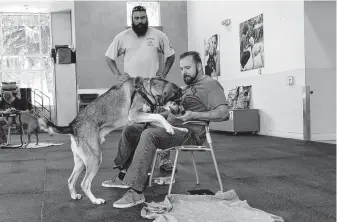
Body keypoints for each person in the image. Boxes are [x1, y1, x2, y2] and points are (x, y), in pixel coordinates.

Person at [107, 51, 229, 209]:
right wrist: (156, 115)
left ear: (199, 66)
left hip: (190, 132)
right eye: (181, 68)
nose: (184, 72)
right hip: (171, 125)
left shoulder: (210, 85)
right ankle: (123, 174)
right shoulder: (187, 87)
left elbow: (224, 113)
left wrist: (194, 114)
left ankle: (136, 192)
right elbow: (172, 109)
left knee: (149, 135)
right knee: (131, 129)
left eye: (187, 67)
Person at [104, 5, 176, 174]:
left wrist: (164, 72)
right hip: (133, 90)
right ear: (132, 19)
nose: (140, 21)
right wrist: (118, 75)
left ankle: (165, 160)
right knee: (134, 125)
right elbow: (109, 58)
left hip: (155, 90)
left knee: (160, 123)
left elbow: (171, 55)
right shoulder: (122, 37)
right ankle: (133, 161)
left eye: (142, 17)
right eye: (136, 18)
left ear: (147, 17)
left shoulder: (158, 35)